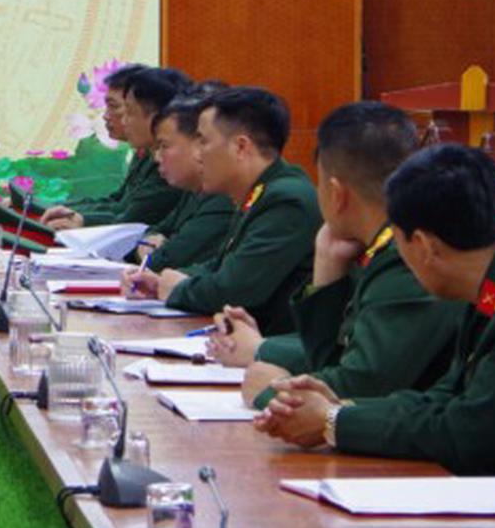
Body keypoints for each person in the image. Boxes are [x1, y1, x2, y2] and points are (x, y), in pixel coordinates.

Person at [256, 143, 495, 528]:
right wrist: (338, 410)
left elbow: (468, 433)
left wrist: (332, 422)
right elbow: (445, 396)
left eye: (398, 242)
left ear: (425, 246)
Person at [209, 102, 457, 407]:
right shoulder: (372, 244)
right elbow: (337, 357)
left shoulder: (407, 257)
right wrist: (327, 272)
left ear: (337, 194)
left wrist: (272, 392)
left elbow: (362, 383)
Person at [125, 86, 319, 334]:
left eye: (203, 142)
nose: (197, 155)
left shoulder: (286, 200)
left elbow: (234, 289)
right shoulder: (259, 191)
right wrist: (161, 281)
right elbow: (221, 266)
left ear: (240, 147)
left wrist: (176, 288)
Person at [41, 64, 186, 228]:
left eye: (116, 107)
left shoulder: (170, 163)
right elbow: (118, 202)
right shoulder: (145, 152)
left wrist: (80, 220)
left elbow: (132, 220)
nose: (106, 116)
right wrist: (58, 209)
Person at [128, 91, 235, 271]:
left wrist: (150, 251)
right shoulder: (193, 189)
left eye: (164, 146)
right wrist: (150, 241)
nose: (157, 158)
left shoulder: (223, 197)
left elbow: (166, 260)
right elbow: (156, 231)